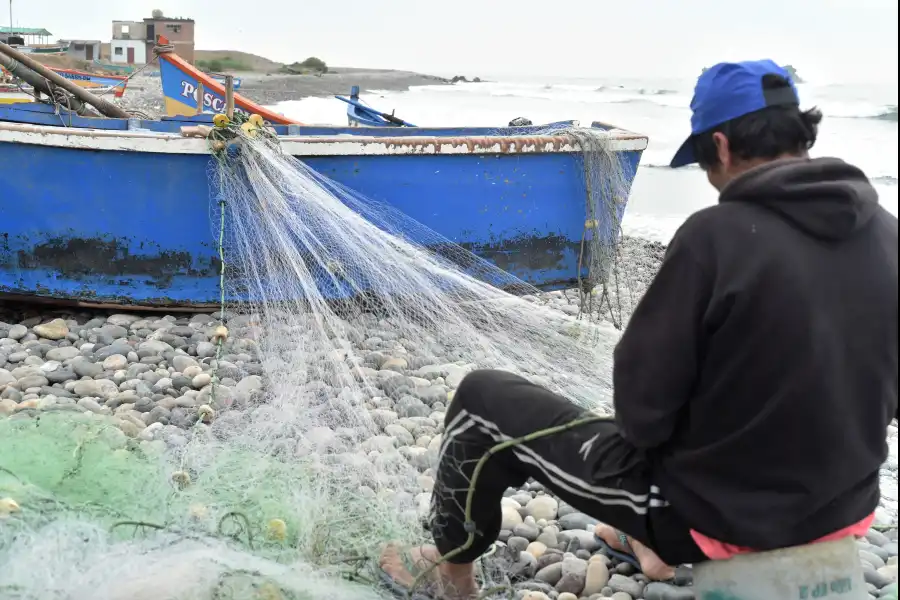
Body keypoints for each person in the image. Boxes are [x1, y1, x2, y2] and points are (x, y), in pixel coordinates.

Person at [379, 59, 899, 599]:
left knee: (481, 399)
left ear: (719, 145)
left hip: (712, 519)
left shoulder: (715, 238)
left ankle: (448, 566)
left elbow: (641, 410)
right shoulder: (888, 236)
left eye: (703, 161)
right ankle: (640, 542)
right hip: (839, 512)